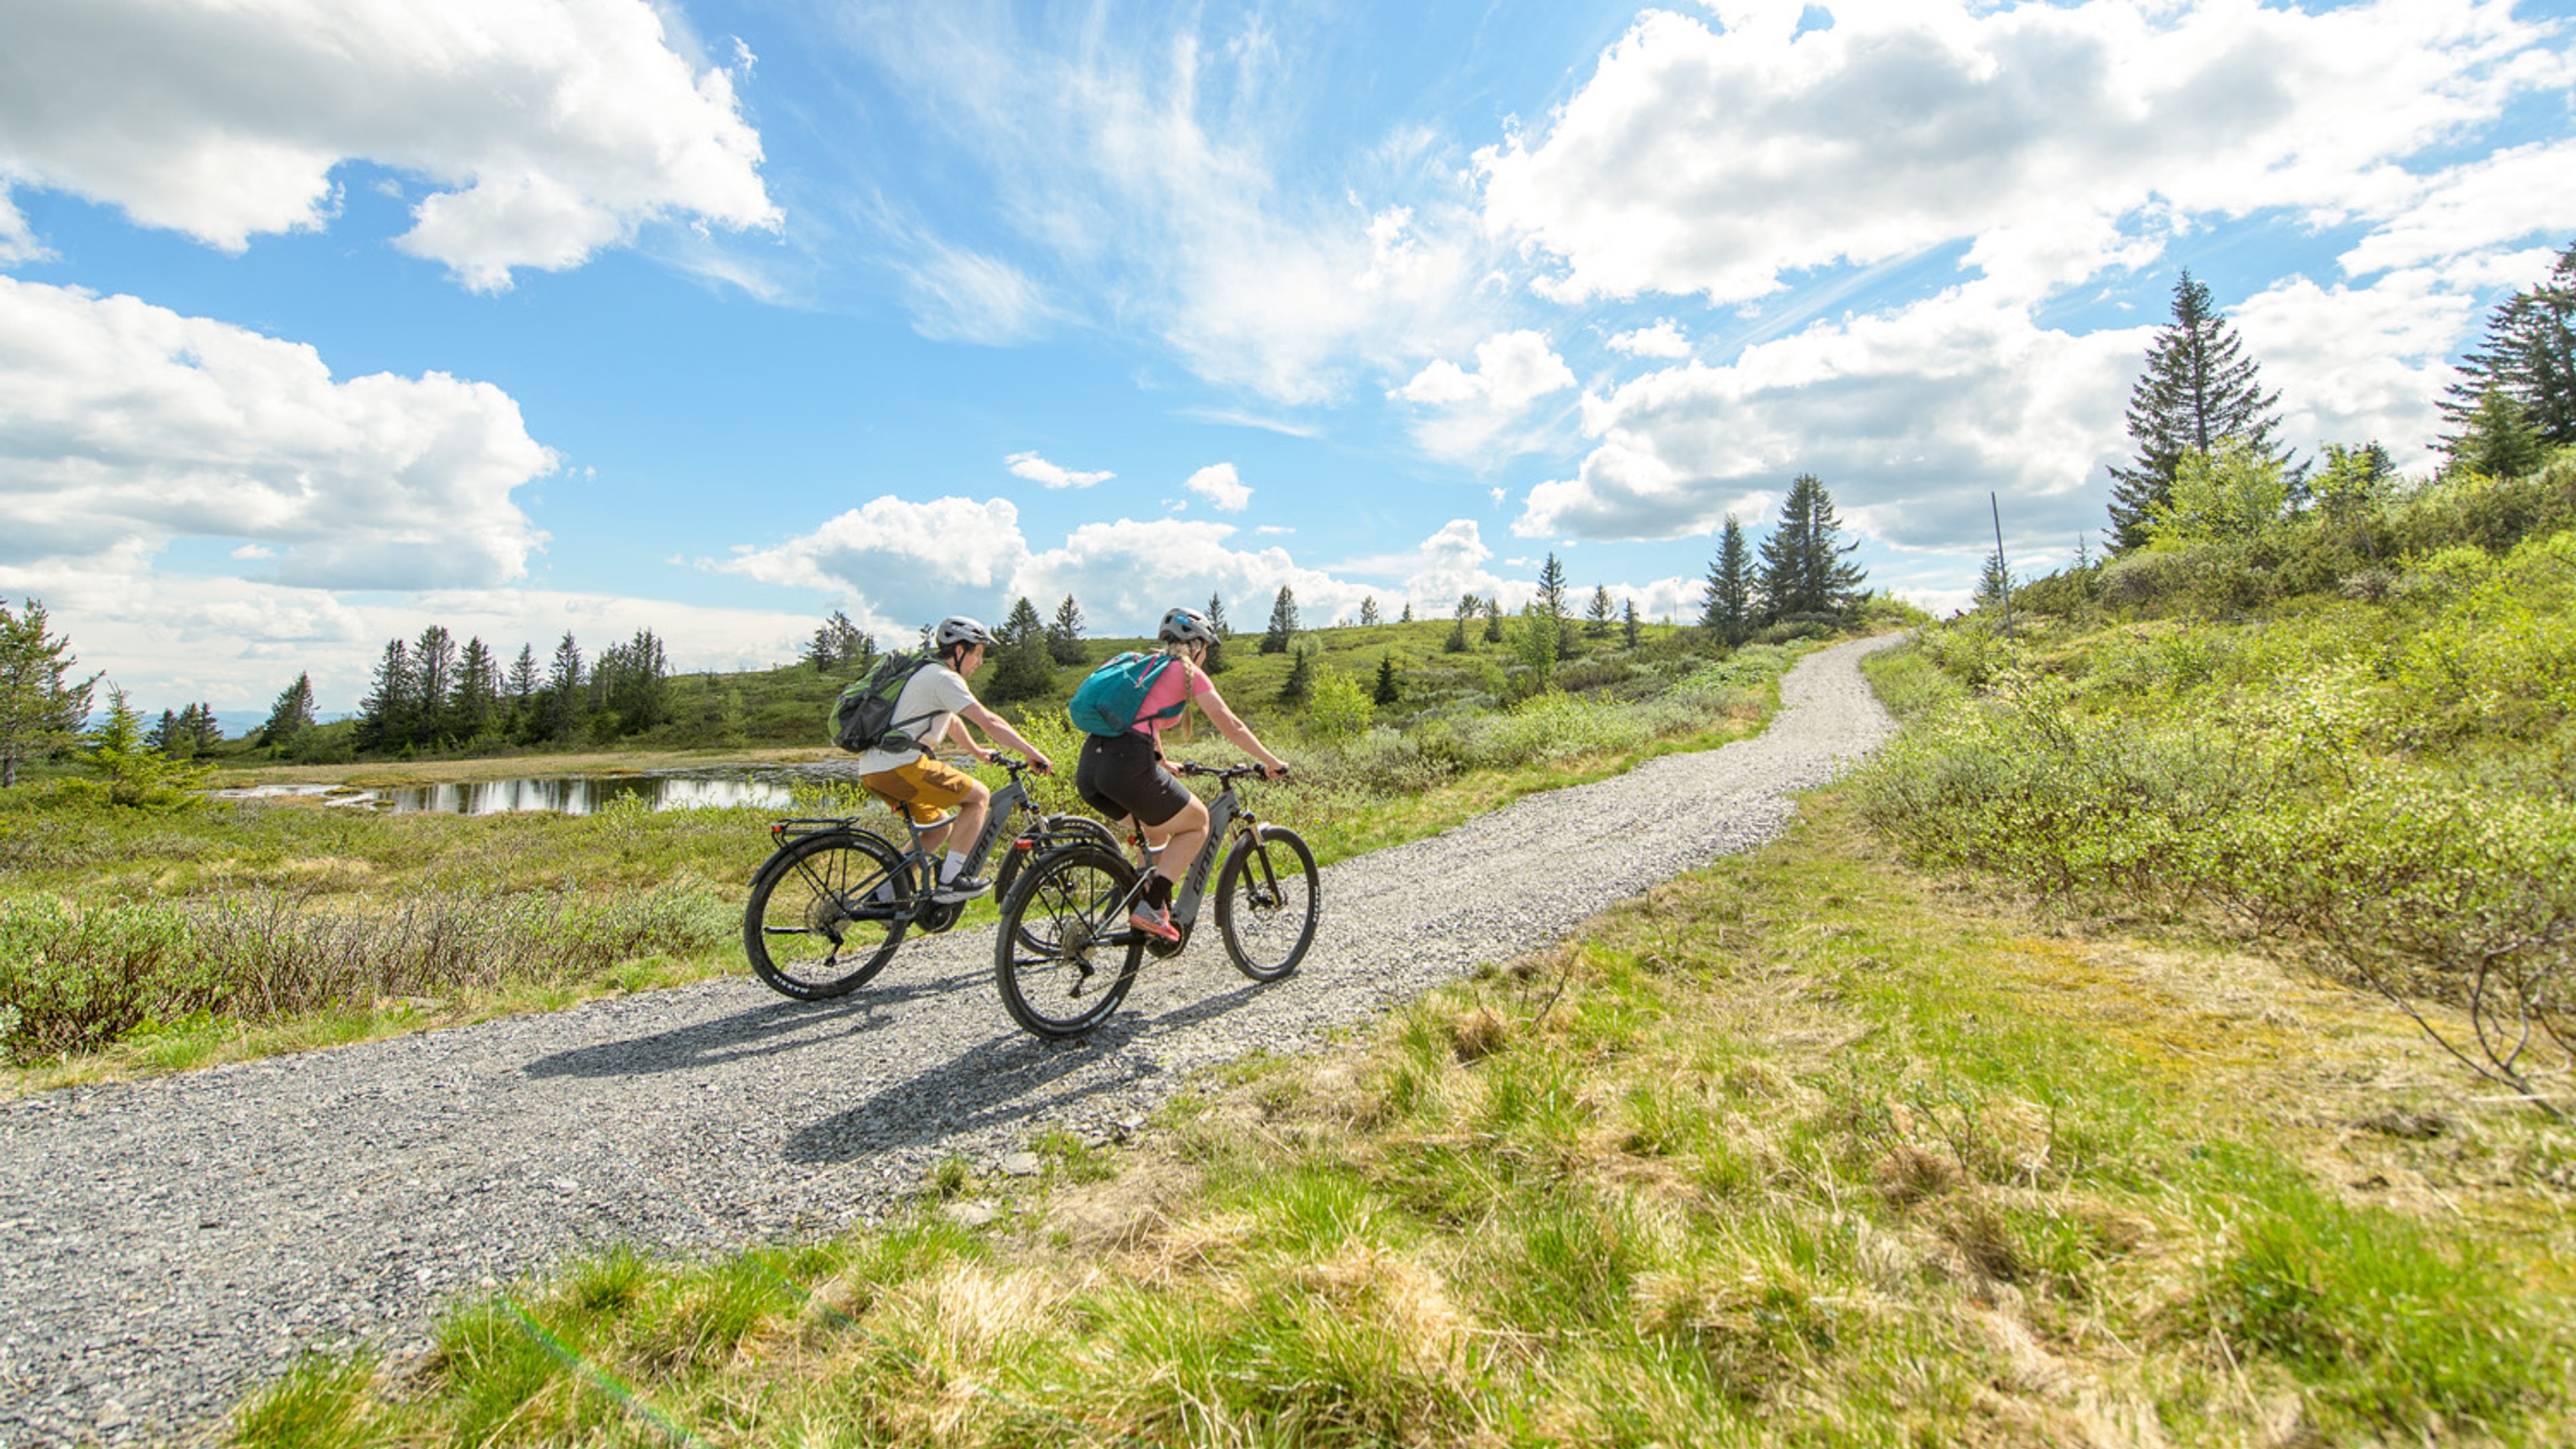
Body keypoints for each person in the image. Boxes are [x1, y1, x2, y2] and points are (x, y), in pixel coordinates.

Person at [1073, 606, 1289, 941]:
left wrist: (1161, 760)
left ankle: (1147, 898)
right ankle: (1152, 908)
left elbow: (1144, 721)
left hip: (1092, 770)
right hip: (1127, 765)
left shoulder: (1146, 670)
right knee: (1197, 822)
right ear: (1197, 646)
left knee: (1156, 832)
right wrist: (1271, 761)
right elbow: (1231, 725)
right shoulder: (1186, 672)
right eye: (1206, 649)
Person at [849, 615, 1055, 903]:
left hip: (875, 770)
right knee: (979, 797)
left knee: (939, 827)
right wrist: (1031, 752)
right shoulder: (944, 678)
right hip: (902, 766)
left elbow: (952, 722)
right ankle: (950, 883)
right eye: (978, 653)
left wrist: (977, 753)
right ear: (959, 650)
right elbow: (990, 722)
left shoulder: (924, 673)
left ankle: (884, 896)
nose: (980, 662)